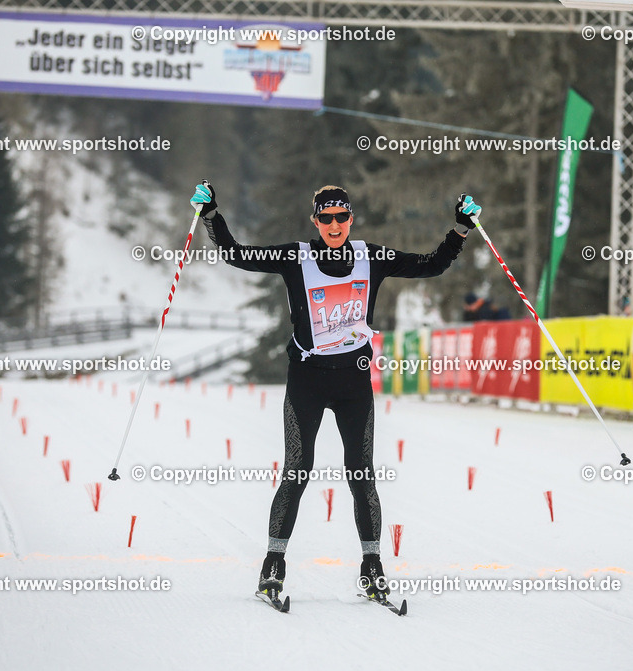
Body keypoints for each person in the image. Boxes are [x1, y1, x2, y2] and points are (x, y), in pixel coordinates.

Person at [190, 181, 478, 603]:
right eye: (326, 218)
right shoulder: (295, 256)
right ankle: (273, 565)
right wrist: (211, 216)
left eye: (341, 217)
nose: (334, 225)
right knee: (297, 469)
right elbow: (237, 254)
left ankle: (372, 569)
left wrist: (460, 230)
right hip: (307, 378)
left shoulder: (371, 256)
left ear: (350, 219)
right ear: (315, 221)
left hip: (352, 381)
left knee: (362, 475)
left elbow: (431, 264)